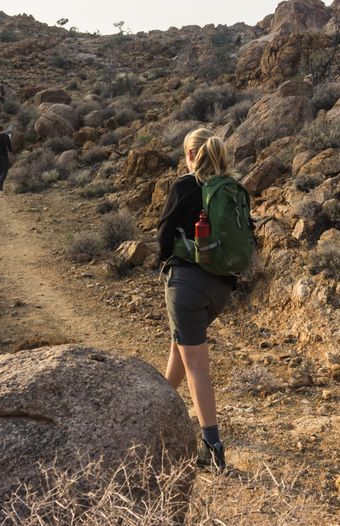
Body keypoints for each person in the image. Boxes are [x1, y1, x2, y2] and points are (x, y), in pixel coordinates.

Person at [157, 128, 237, 472]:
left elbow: (162, 233)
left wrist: (164, 260)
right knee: (181, 344)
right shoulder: (229, 189)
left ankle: (212, 446)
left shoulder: (184, 186)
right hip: (220, 289)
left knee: (197, 367)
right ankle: (158, 405)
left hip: (186, 285)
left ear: (190, 155)